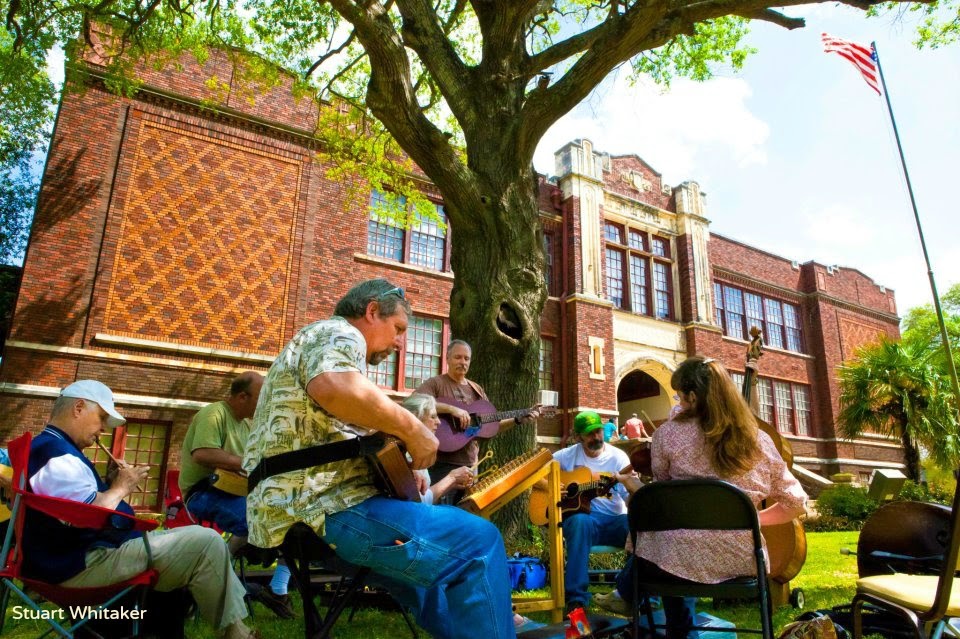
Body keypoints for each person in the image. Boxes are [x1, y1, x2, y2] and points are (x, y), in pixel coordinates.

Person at [243, 279, 515, 639]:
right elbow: (335, 386)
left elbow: (332, 429)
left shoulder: (316, 343)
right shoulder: (339, 333)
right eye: (398, 329)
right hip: (321, 508)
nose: (400, 342)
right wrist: (413, 431)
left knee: (426, 582)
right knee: (480, 542)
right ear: (372, 311)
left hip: (288, 513)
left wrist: (398, 468)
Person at [24, 380, 256, 639]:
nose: (102, 429)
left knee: (195, 548)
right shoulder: (56, 454)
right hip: (82, 564)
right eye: (101, 418)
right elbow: (87, 516)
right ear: (78, 408)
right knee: (207, 542)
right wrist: (121, 487)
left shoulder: (53, 449)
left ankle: (224, 628)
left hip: (80, 558)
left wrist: (111, 484)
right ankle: (237, 634)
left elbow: (73, 509)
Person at [594, 356, 808, 638]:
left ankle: (671, 626)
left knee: (670, 547)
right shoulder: (757, 439)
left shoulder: (667, 435)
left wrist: (634, 485)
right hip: (740, 560)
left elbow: (662, 501)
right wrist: (753, 518)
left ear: (693, 397)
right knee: (674, 548)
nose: (677, 402)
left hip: (671, 563)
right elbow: (797, 503)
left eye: (679, 396)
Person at [401, 393, 546, 635]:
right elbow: (416, 505)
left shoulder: (418, 455)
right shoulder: (408, 455)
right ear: (417, 419)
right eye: (434, 417)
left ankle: (501, 615)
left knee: (478, 536)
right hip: (414, 531)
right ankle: (499, 619)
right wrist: (450, 478)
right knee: (480, 540)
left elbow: (489, 426)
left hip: (419, 524)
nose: (439, 422)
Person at [178, 371, 293, 619]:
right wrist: (246, 463)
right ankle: (212, 579)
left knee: (295, 518)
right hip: (204, 491)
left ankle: (277, 589)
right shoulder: (214, 413)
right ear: (242, 396)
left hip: (236, 492)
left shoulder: (248, 424)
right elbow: (203, 454)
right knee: (254, 520)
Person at [416, 339, 538, 504]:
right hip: (441, 464)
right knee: (441, 514)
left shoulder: (477, 389)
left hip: (471, 466)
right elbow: (414, 402)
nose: (462, 362)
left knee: (465, 514)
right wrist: (452, 409)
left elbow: (490, 427)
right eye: (458, 357)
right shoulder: (436, 383)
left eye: (466, 358)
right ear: (447, 358)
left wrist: (517, 420)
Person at [552, 411, 637, 611]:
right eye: (590, 434)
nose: (596, 437)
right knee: (580, 521)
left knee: (642, 529)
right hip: (586, 520)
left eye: (598, 431)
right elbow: (537, 475)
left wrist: (634, 487)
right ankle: (576, 601)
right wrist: (554, 486)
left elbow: (629, 500)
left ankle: (636, 595)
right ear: (579, 436)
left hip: (615, 520)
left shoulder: (618, 458)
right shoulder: (566, 455)